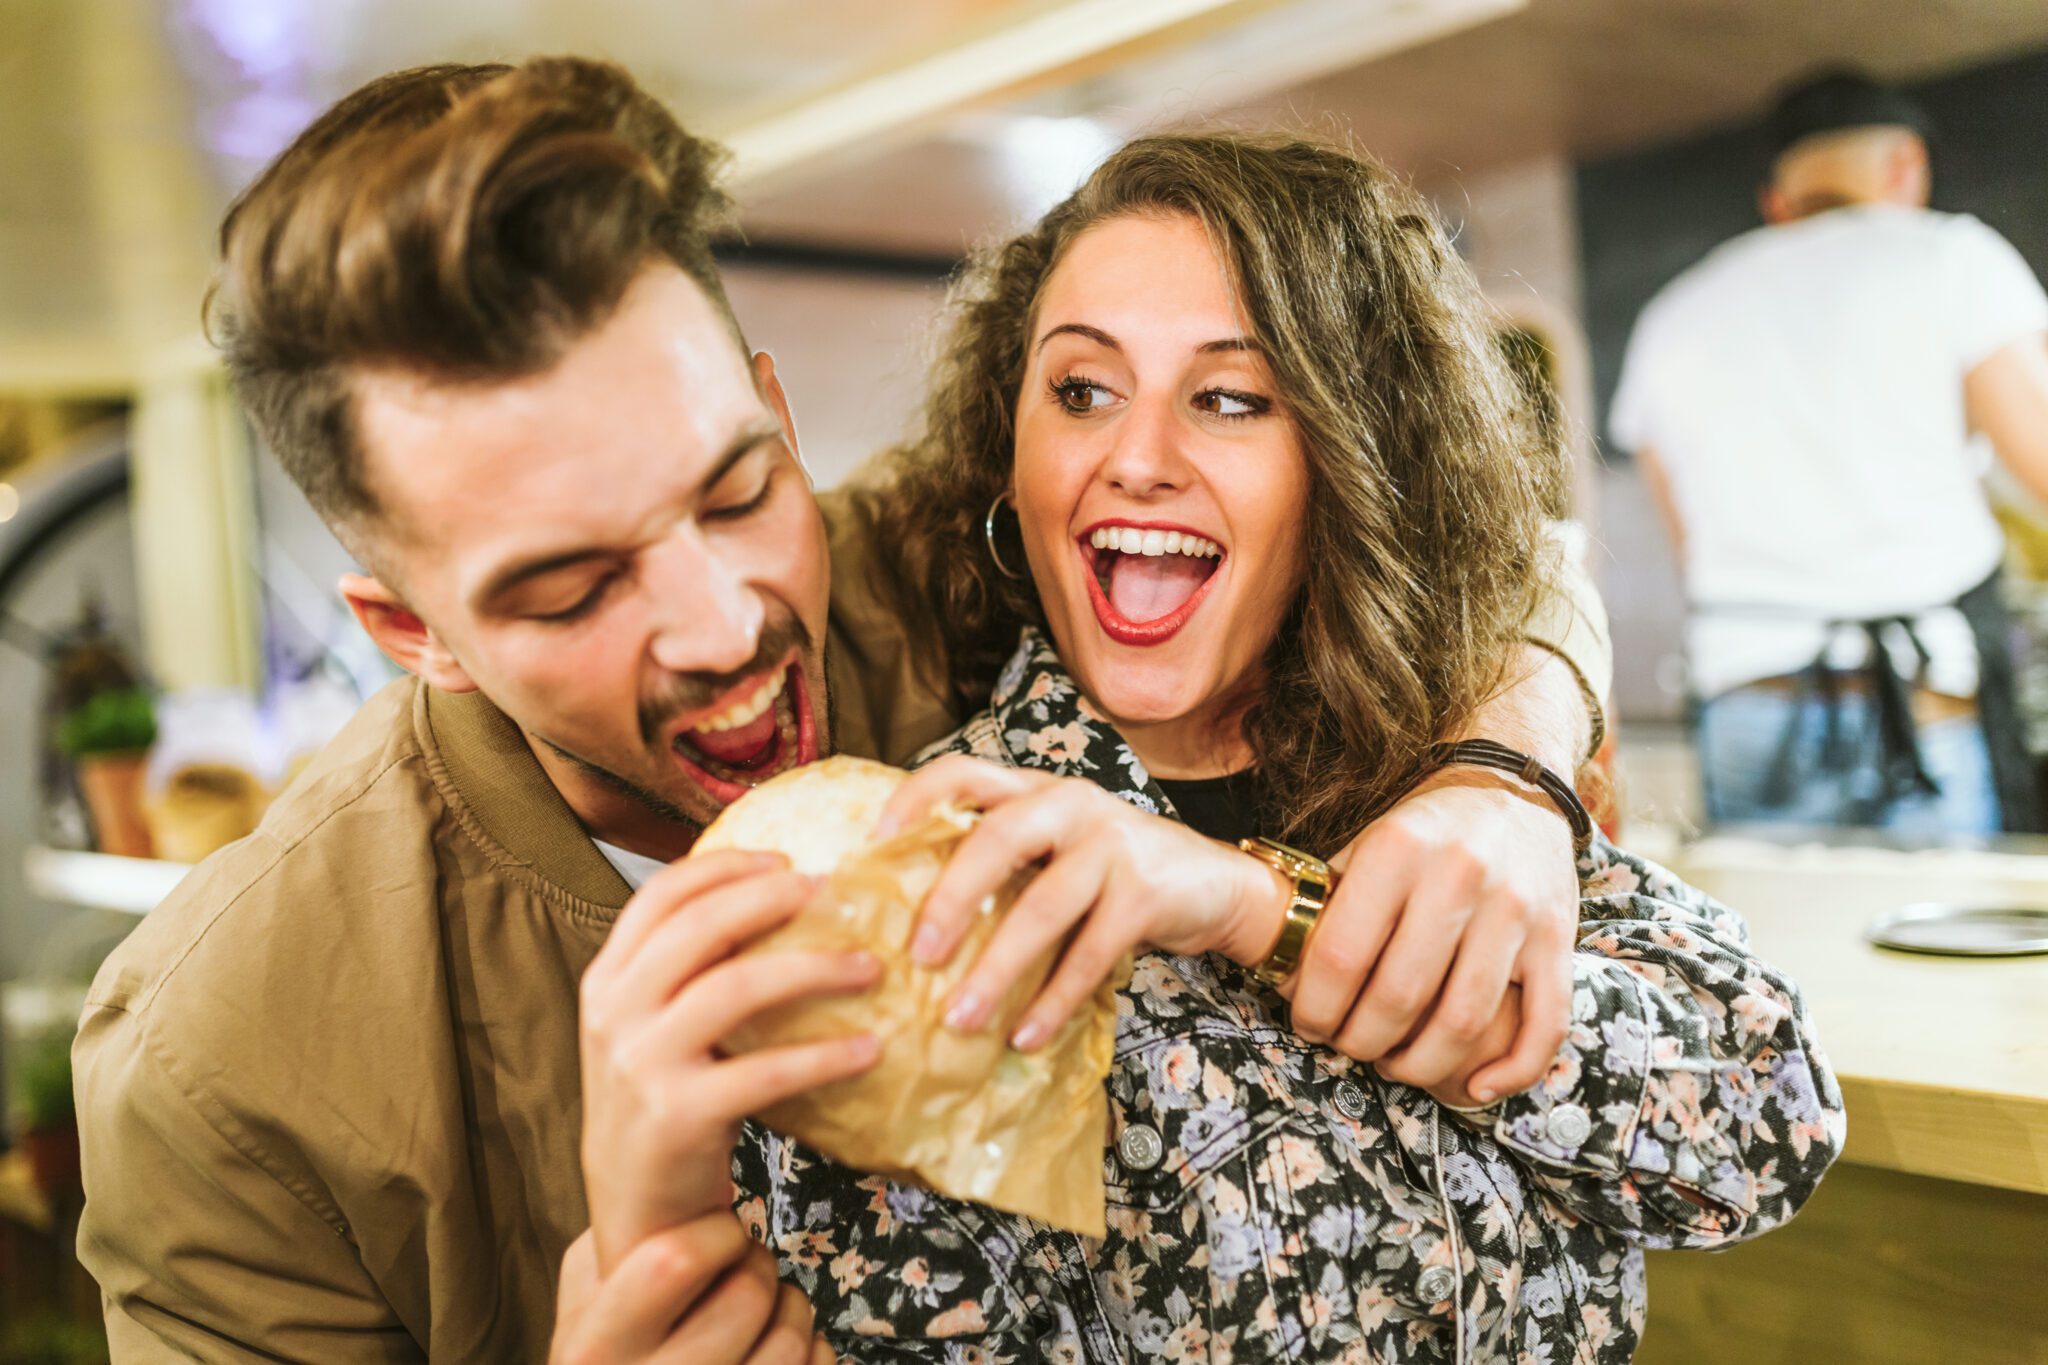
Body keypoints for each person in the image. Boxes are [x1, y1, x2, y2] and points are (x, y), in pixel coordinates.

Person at [70, 59, 1615, 1361]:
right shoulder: (224, 1065)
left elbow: (1464, 546)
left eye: (739, 492)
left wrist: (1507, 765)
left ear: (776, 414)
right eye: (568, 590)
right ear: (417, 632)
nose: (726, 623)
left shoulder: (928, 574)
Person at [605, 131, 1838, 1363]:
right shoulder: (937, 872)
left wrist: (1255, 908)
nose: (1134, 459)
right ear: (1011, 449)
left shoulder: (1458, 765)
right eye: (1079, 392)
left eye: (1229, 399)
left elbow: (1762, 1132)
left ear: (1353, 463)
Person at [1610, 68, 2048, 836]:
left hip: (1747, 701)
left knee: (1773, 954)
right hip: (1915, 707)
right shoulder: (1951, 258)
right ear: (1907, 168)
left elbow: (1690, 543)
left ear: (1776, 200)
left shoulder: (1672, 314)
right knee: (1933, 951)